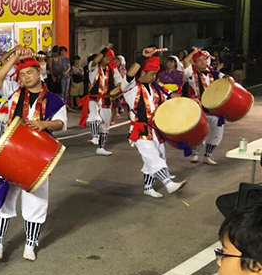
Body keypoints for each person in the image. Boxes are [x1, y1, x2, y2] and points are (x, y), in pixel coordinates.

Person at [0, 46, 67, 261]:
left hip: (38, 157)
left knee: (36, 201)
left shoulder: (54, 100)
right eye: (22, 74)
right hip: (11, 153)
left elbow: (61, 123)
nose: (25, 77)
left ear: (39, 72)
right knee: (4, 198)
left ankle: (30, 246)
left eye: (29, 72)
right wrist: (14, 56)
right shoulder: (14, 92)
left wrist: (45, 123)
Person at [117, 49, 186, 199]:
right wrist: (143, 57)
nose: (155, 77)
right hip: (140, 131)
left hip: (156, 129)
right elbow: (130, 74)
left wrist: (188, 103)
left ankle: (148, 187)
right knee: (153, 157)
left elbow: (171, 95)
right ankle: (168, 183)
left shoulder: (156, 87)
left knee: (158, 156)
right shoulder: (130, 87)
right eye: (152, 74)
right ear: (142, 73)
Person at [183, 48, 233, 165]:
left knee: (216, 132)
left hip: (214, 109)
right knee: (197, 132)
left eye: (204, 59)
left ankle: (208, 154)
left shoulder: (214, 73)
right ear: (194, 63)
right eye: (199, 60)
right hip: (198, 109)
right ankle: (194, 153)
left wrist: (229, 78)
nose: (203, 62)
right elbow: (186, 61)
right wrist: (193, 53)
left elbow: (228, 79)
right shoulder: (191, 74)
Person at [81, 44, 119, 156]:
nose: (108, 61)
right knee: (94, 116)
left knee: (105, 125)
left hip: (106, 99)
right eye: (107, 58)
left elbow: (120, 83)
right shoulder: (93, 67)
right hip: (93, 97)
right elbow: (96, 60)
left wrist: (116, 93)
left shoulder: (112, 70)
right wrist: (105, 49)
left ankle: (101, 147)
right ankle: (95, 137)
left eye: (110, 59)